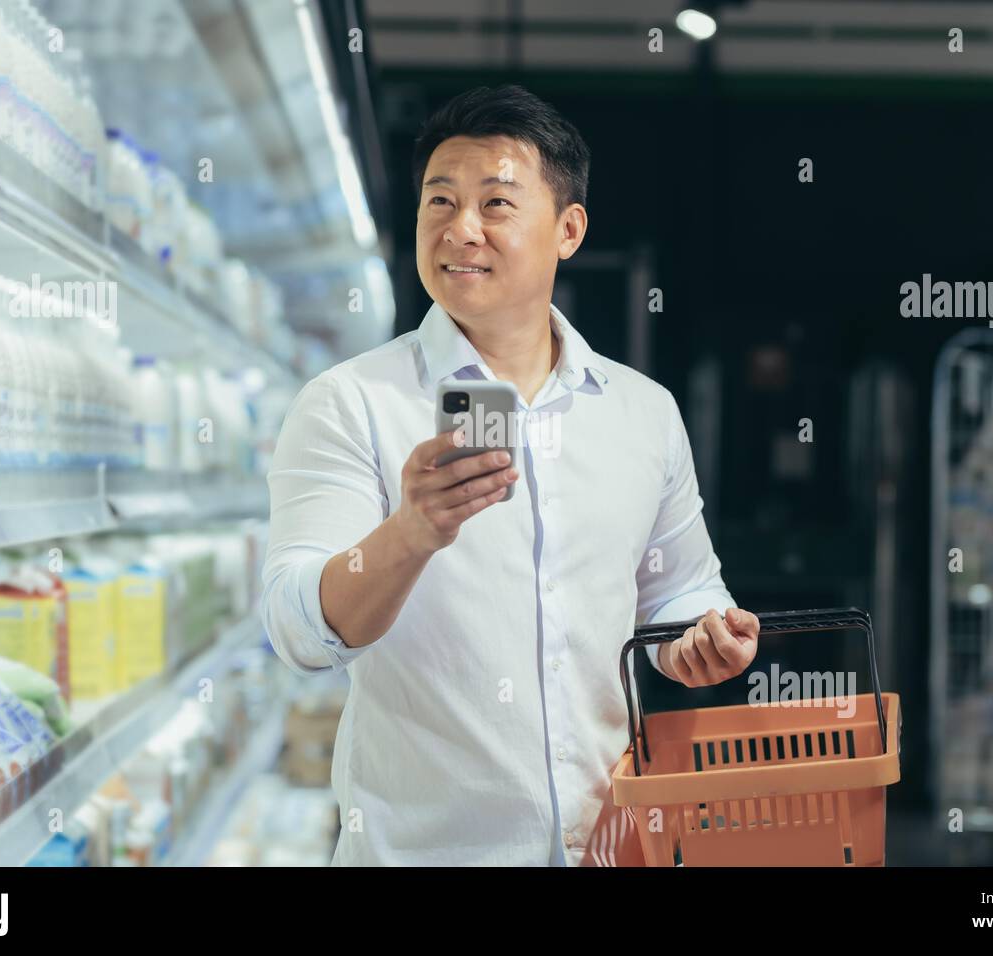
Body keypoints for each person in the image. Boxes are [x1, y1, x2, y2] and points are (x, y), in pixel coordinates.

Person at [261, 84, 760, 866]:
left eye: (496, 203)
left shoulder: (640, 411)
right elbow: (298, 631)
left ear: (568, 230)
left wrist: (699, 637)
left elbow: (676, 589)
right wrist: (409, 534)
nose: (461, 229)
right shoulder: (351, 404)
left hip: (611, 848)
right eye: (440, 201)